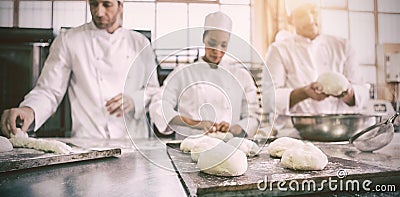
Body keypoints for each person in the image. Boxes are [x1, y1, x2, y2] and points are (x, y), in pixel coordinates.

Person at [1, 0, 159, 139]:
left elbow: (153, 91)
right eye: (93, 4)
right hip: (89, 140)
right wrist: (29, 110)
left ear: (120, 5)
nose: (99, 11)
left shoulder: (140, 43)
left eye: (107, 4)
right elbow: (49, 89)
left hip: (134, 139)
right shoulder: (69, 39)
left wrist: (134, 99)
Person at [262, 2, 369, 136]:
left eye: (313, 11)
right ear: (290, 19)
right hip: (295, 136)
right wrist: (304, 92)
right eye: (301, 15)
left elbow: (363, 93)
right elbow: (268, 99)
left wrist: (347, 92)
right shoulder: (278, 50)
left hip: (340, 134)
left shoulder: (342, 46)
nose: (310, 19)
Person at [149, 12, 261, 139]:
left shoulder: (241, 76)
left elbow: (253, 116)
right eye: (212, 43)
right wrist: (195, 123)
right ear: (203, 38)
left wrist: (233, 128)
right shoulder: (183, 74)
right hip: (188, 149)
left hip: (229, 147)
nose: (217, 51)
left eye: (223, 45)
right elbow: (158, 106)